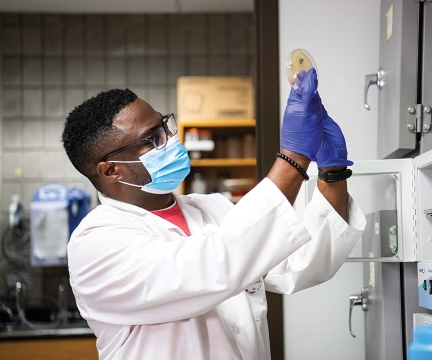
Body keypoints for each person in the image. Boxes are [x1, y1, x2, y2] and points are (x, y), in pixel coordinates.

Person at [62, 68, 366, 360]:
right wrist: (294, 157)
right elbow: (216, 265)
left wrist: (332, 171)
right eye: (153, 139)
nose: (170, 139)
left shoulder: (212, 209)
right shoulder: (96, 244)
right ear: (111, 170)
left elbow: (302, 262)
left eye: (164, 125)